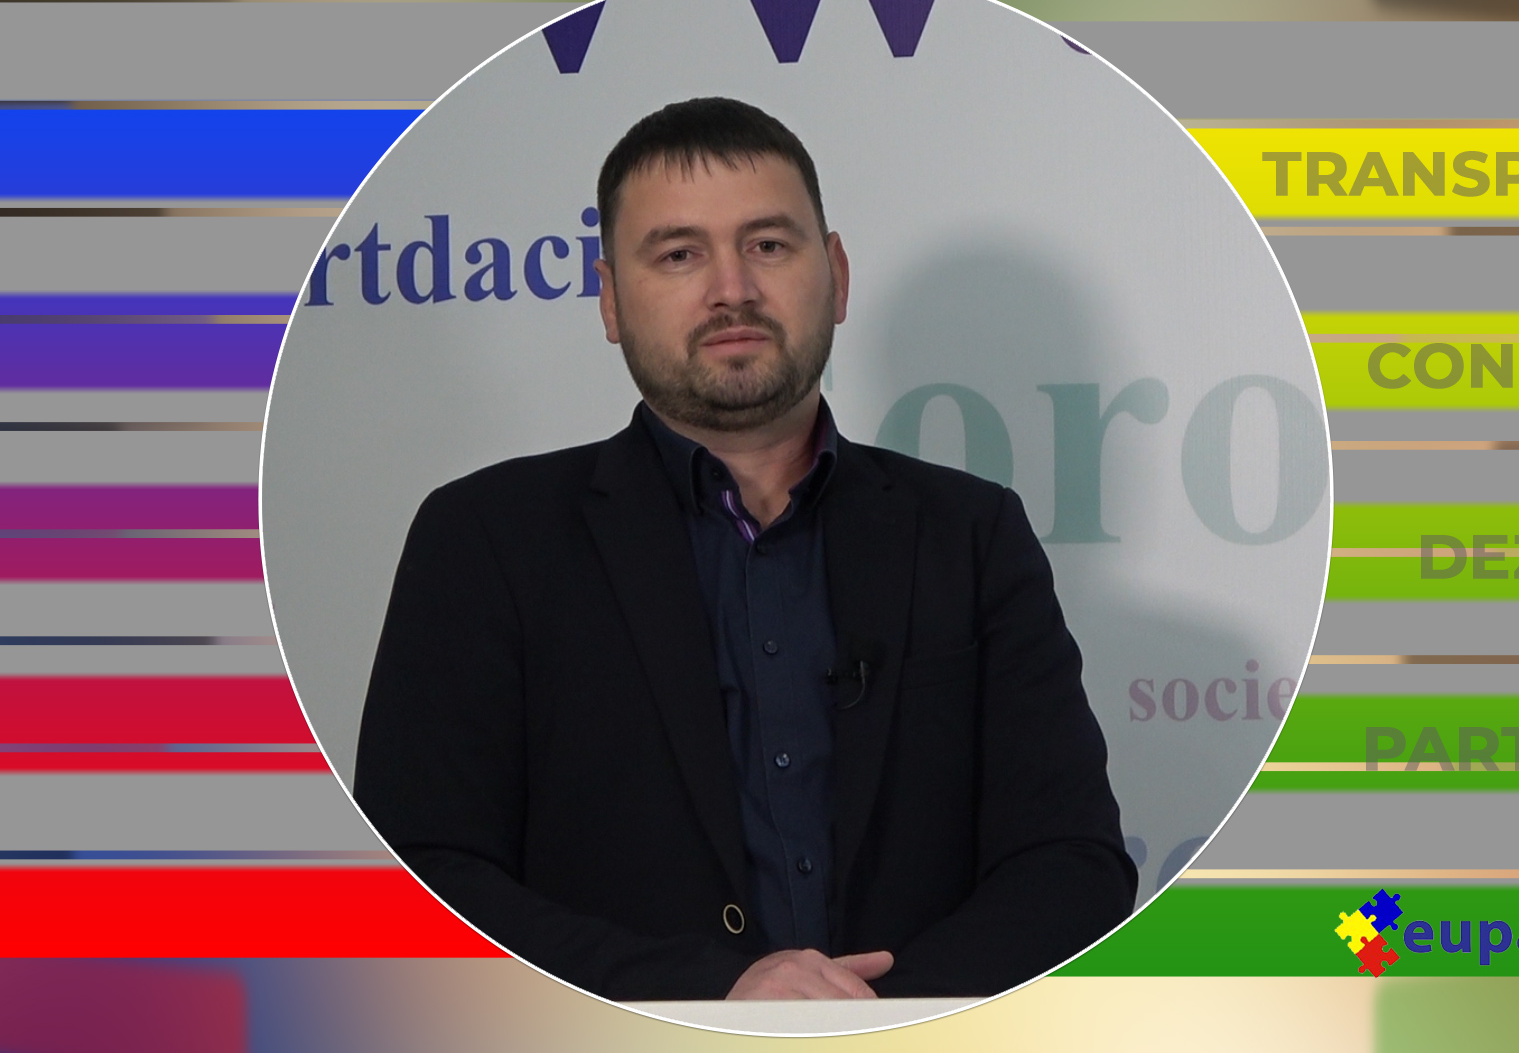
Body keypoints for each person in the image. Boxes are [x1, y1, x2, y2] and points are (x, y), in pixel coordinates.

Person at [353, 97, 1136, 1003]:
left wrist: (865, 1019)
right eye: (679, 254)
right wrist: (712, 999)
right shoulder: (484, 539)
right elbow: (417, 875)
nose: (732, 289)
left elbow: (1072, 863)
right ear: (610, 300)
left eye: (767, 244)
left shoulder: (971, 534)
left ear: (835, 274)